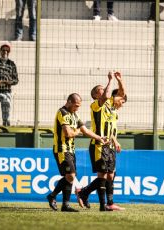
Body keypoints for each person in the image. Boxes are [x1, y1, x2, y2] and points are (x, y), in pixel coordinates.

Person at [46, 93, 107, 212]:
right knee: (71, 176)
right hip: (61, 149)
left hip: (71, 150)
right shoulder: (62, 112)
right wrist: (77, 131)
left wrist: (99, 138)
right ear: (69, 102)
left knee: (69, 177)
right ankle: (52, 196)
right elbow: (68, 133)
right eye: (76, 105)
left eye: (79, 106)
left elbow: (85, 130)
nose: (77, 108)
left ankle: (65, 205)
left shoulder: (75, 115)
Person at [76, 71, 127, 211]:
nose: (104, 90)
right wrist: (110, 80)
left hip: (109, 145)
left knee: (111, 174)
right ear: (95, 95)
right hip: (99, 144)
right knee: (103, 175)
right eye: (101, 90)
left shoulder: (111, 105)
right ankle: (101, 204)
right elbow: (105, 96)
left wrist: (119, 80)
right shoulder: (95, 105)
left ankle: (106, 201)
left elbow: (122, 94)